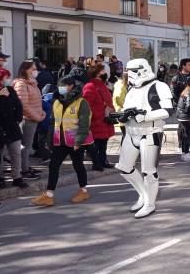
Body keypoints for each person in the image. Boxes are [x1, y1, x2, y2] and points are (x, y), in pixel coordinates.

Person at [115, 58, 174, 218]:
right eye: (128, 71)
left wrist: (145, 116)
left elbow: (168, 110)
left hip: (150, 132)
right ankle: (144, 195)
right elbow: (127, 111)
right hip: (131, 132)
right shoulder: (132, 89)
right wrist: (120, 117)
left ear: (142, 70)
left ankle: (149, 203)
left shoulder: (159, 86)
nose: (129, 75)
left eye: (132, 71)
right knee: (123, 167)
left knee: (148, 171)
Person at [30, 76, 93, 207]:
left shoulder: (82, 103)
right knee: (53, 166)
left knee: (78, 165)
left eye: (63, 85)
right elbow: (53, 123)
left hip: (75, 142)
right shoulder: (57, 102)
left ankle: (83, 191)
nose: (61, 88)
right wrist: (49, 140)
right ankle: (49, 195)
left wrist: (79, 141)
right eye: (59, 85)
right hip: (60, 142)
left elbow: (84, 124)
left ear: (71, 86)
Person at [13, 60, 45, 180]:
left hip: (34, 118)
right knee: (24, 146)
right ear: (24, 70)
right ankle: (24, 170)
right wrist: (37, 116)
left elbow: (36, 101)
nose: (35, 70)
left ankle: (25, 167)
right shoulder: (21, 84)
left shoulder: (32, 83)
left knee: (27, 145)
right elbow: (23, 106)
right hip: (27, 119)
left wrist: (41, 112)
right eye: (33, 68)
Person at [83, 64, 116, 170]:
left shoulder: (102, 84)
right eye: (103, 71)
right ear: (97, 73)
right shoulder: (90, 86)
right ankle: (96, 163)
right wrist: (97, 115)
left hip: (104, 119)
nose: (105, 73)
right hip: (97, 120)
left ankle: (103, 161)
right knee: (96, 143)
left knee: (103, 142)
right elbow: (86, 105)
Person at [0, 69, 28, 189]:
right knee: (0, 155)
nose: (7, 80)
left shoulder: (10, 90)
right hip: (0, 128)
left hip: (12, 127)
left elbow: (18, 105)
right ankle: (0, 178)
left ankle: (17, 177)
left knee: (15, 152)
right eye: (5, 77)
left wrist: (18, 119)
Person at [176, 76, 190, 162]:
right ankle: (185, 154)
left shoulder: (186, 91)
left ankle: (185, 153)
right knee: (186, 136)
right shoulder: (189, 93)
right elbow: (188, 107)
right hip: (185, 117)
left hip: (182, 116)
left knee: (185, 135)